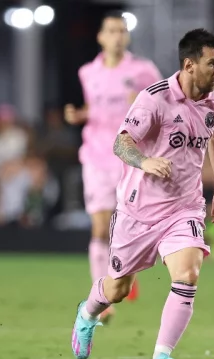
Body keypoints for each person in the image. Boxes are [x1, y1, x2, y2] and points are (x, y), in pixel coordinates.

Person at [70, 28, 214, 359]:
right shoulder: (155, 99)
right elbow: (122, 142)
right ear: (189, 65)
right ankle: (86, 315)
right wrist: (145, 161)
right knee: (118, 289)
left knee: (187, 274)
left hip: (184, 208)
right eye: (213, 64)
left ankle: (161, 355)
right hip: (138, 210)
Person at [65, 11, 163, 315]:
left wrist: (144, 104)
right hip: (96, 156)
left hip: (130, 158)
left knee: (130, 225)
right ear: (101, 37)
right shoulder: (87, 72)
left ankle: (125, 274)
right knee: (99, 227)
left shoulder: (144, 70)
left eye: (122, 30)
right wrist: (78, 115)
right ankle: (103, 295)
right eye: (111, 30)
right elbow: (93, 108)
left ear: (127, 36)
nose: (117, 35)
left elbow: (166, 106)